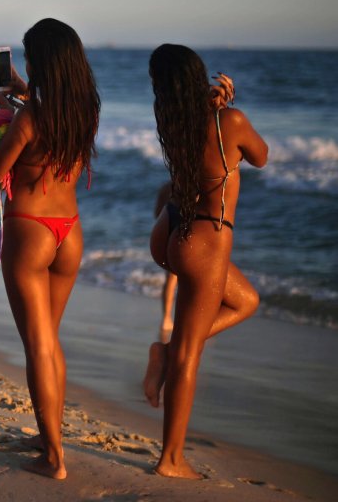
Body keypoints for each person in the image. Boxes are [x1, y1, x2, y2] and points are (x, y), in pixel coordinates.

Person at [143, 44, 268, 479]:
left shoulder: (173, 121)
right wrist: (229, 110)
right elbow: (261, 156)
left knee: (246, 300)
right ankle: (171, 460)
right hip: (205, 239)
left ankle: (166, 350)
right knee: (188, 356)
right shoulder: (228, 121)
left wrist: (215, 109)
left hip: (171, 228)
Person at [0, 18, 100, 479]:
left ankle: (53, 458)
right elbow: (47, 123)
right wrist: (18, 97)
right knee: (49, 339)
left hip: (30, 231)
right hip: (69, 232)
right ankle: (49, 433)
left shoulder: (30, 117)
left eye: (29, 57)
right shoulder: (84, 111)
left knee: (37, 345)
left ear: (39, 63)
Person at [154, 181, 177, 344]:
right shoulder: (194, 185)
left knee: (171, 278)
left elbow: (157, 213)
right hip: (185, 231)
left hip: (167, 230)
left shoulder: (166, 187)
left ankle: (166, 318)